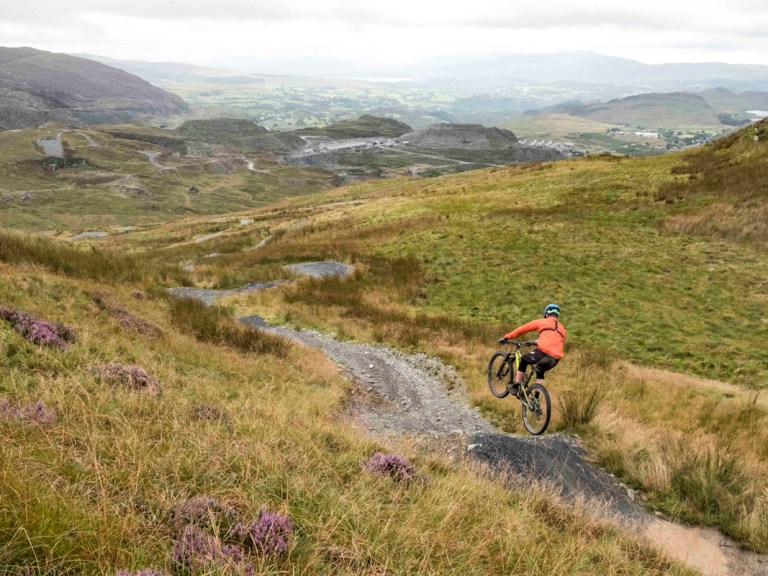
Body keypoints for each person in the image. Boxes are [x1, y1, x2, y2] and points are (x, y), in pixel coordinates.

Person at [499, 303, 566, 395]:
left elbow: (522, 329)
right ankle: (536, 399)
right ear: (556, 315)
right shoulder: (562, 328)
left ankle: (516, 386)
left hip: (544, 351)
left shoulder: (542, 321)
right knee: (540, 370)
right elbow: (553, 340)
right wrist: (537, 342)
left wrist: (507, 337)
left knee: (524, 360)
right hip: (556, 357)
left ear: (546, 314)